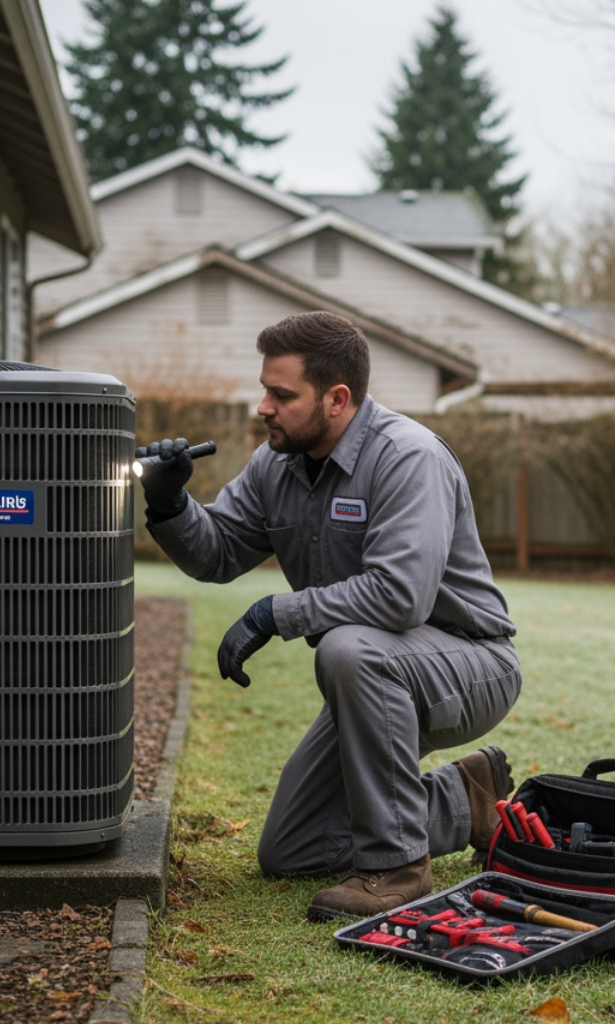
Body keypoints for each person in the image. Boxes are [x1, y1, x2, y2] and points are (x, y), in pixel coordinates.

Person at [135, 311, 522, 921]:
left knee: (346, 648)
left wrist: (274, 613)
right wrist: (170, 501)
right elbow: (217, 554)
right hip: (378, 673)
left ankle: (396, 868)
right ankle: (464, 798)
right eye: (265, 389)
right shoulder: (276, 465)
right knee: (292, 848)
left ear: (337, 399)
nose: (264, 407)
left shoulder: (408, 458)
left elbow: (400, 597)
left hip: (469, 664)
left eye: (281, 394)